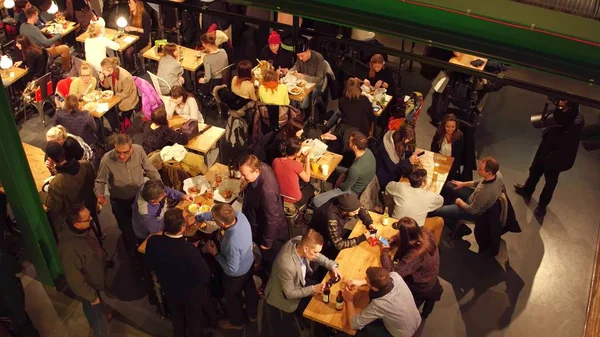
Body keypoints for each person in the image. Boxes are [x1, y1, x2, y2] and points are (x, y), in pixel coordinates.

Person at [145, 209, 214, 337]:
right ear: (183, 228)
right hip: (190, 294)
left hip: (169, 289)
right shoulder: (189, 250)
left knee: (177, 320)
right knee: (194, 322)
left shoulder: (153, 241)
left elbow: (150, 263)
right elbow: (205, 277)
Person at [94, 134, 160, 262]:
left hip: (139, 199)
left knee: (143, 228)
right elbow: (100, 181)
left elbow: (150, 169)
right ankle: (134, 259)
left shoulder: (139, 150)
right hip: (120, 202)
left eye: (125, 152)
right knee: (128, 233)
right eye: (118, 152)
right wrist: (100, 195)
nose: (121, 156)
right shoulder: (106, 160)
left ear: (131, 149)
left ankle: (146, 255)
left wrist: (160, 186)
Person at [514, 100, 585, 216]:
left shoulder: (577, 121)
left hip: (558, 156)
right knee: (534, 171)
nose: (560, 104)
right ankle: (527, 190)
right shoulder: (561, 113)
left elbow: (569, 131)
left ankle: (542, 206)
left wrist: (561, 117)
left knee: (550, 182)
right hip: (546, 148)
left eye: (563, 102)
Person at [197, 204, 259, 330]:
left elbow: (232, 269)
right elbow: (218, 214)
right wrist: (199, 217)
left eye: (215, 220)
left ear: (223, 225)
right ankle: (252, 314)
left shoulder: (232, 241)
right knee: (250, 288)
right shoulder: (239, 216)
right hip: (249, 262)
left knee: (232, 298)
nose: (213, 219)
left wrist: (215, 254)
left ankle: (237, 322)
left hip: (236, 276)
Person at [58, 205, 108, 337]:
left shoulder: (82, 230)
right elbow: (74, 279)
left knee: (93, 305)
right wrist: (91, 296)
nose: (91, 219)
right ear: (77, 224)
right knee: (99, 319)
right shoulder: (69, 248)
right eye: (87, 219)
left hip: (94, 280)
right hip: (88, 286)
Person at [264, 229, 340, 315]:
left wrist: (332, 266)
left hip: (300, 281)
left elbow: (318, 256)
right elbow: (290, 293)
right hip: (286, 297)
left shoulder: (301, 241)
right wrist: (313, 289)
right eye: (315, 252)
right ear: (306, 248)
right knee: (318, 310)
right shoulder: (286, 265)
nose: (317, 255)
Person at [430, 157, 504, 233]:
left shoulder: (485, 193)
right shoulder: (497, 174)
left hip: (470, 209)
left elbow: (472, 210)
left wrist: (460, 203)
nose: (478, 169)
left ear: (489, 173)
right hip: (473, 196)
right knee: (449, 184)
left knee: (437, 211)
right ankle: (448, 210)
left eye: (480, 169)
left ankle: (457, 228)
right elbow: (481, 182)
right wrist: (463, 184)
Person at [342, 267, 421, 337]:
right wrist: (361, 282)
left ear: (374, 287)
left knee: (361, 330)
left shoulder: (380, 304)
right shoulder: (395, 276)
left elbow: (354, 324)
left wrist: (349, 301)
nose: (365, 279)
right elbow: (381, 281)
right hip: (416, 319)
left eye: (367, 280)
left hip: (402, 334)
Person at [45, 140, 101, 238]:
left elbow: (56, 207)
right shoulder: (85, 164)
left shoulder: (56, 184)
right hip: (91, 202)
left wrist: (42, 194)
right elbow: (93, 180)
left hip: (75, 216)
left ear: (50, 159)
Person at [238, 155, 287, 268]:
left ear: (256, 171)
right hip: (257, 218)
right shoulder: (262, 168)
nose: (241, 178)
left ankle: (267, 272)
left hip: (265, 230)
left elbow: (272, 219)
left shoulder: (267, 192)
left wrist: (267, 242)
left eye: (244, 175)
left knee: (268, 256)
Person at [312, 131, 376, 208]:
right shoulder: (368, 152)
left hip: (352, 191)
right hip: (357, 178)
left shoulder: (355, 169)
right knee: (334, 167)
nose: (348, 141)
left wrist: (339, 183)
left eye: (350, 141)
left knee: (316, 201)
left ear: (354, 147)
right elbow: (350, 172)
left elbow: (345, 187)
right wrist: (344, 174)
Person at [381, 217, 440, 301]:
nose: (398, 233)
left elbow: (393, 272)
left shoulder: (416, 254)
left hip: (422, 284)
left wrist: (385, 251)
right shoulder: (424, 231)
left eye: (400, 233)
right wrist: (394, 239)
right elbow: (407, 234)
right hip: (430, 273)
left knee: (387, 285)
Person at [309, 193, 373, 259]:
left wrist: (369, 222)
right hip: (320, 238)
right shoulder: (331, 218)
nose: (357, 213)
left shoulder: (344, 201)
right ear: (345, 210)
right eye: (354, 212)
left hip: (334, 229)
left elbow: (359, 209)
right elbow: (338, 244)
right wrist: (360, 238)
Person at [0, 247, 40, 337]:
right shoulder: (2, 256)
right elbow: (17, 268)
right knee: (25, 325)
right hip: (15, 302)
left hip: (4, 314)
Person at [19, 7, 71, 72]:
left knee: (57, 43)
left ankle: (55, 63)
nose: (38, 18)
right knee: (65, 48)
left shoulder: (22, 26)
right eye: (37, 16)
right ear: (34, 15)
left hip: (30, 53)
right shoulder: (34, 29)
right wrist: (59, 34)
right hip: (41, 53)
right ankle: (65, 70)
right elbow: (47, 43)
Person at [272, 137, 315, 209]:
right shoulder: (295, 164)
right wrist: (307, 159)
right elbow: (307, 178)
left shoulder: (275, 161)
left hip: (279, 195)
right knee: (311, 187)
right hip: (293, 199)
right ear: (296, 153)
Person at [99, 57, 139, 130]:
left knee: (110, 111)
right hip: (117, 96)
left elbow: (126, 93)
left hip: (127, 99)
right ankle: (117, 126)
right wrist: (102, 80)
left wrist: (114, 96)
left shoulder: (124, 76)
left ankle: (119, 126)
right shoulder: (109, 74)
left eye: (103, 70)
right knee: (108, 112)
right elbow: (107, 85)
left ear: (110, 69)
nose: (102, 71)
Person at [375, 126, 418, 190]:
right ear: (402, 137)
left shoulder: (399, 141)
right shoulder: (386, 147)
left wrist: (411, 153)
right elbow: (392, 168)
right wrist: (409, 161)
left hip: (394, 171)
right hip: (385, 177)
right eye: (408, 139)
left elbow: (402, 154)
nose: (408, 141)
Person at [289, 43, 326, 108]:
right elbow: (296, 66)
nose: (300, 58)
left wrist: (304, 77)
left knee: (303, 104)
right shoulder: (300, 57)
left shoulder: (318, 58)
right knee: (291, 93)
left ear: (307, 51)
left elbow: (319, 79)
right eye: (298, 56)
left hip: (315, 85)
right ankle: (296, 112)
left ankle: (305, 112)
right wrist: (291, 71)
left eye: (302, 56)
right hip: (303, 83)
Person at [430, 113, 465, 180]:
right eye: (447, 126)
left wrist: (449, 172)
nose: (450, 129)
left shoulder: (459, 137)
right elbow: (433, 149)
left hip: (450, 164)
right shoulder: (439, 133)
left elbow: (457, 158)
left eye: (453, 127)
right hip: (438, 160)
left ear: (456, 127)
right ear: (444, 126)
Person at [123, 0, 152, 69]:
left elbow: (147, 31)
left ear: (136, 3)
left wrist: (135, 29)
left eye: (131, 3)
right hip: (132, 37)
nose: (129, 5)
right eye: (128, 3)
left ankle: (133, 69)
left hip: (142, 39)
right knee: (122, 49)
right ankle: (127, 65)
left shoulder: (144, 15)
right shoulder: (130, 14)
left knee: (128, 51)